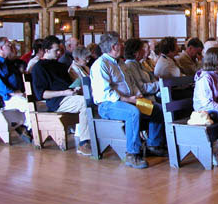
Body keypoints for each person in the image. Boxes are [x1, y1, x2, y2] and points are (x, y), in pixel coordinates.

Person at [90, 32, 166, 169]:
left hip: (129, 100)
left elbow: (131, 84)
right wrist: (129, 100)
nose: (123, 45)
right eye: (121, 42)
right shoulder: (100, 64)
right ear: (114, 47)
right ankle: (132, 154)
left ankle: (153, 144)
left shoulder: (121, 63)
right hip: (108, 105)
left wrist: (138, 96)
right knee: (133, 113)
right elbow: (107, 93)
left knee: (157, 109)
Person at [31, 35, 91, 155]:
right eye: (56, 50)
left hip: (69, 96)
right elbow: (42, 94)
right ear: (47, 51)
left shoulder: (60, 66)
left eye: (60, 50)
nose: (59, 53)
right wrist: (64, 92)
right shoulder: (39, 67)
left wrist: (76, 88)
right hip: (56, 101)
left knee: (94, 99)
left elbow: (69, 84)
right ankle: (84, 142)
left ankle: (96, 137)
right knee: (85, 102)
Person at [0, 37, 32, 142]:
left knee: (36, 102)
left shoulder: (8, 63)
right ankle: (29, 129)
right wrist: (15, 93)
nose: (11, 46)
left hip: (16, 95)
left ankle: (25, 126)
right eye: (9, 45)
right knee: (29, 104)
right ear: (1, 48)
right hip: (4, 98)